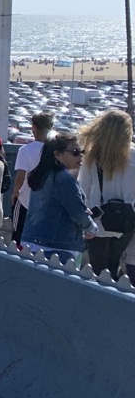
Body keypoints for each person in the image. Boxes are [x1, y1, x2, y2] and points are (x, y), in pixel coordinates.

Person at [20, 133, 98, 263]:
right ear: (57, 155)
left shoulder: (41, 175)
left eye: (81, 151)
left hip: (32, 241)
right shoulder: (64, 179)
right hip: (56, 246)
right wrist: (92, 227)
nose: (81, 156)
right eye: (75, 152)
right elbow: (77, 212)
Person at [77, 109, 135, 278]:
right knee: (115, 262)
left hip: (98, 220)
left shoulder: (92, 155)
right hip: (126, 220)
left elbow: (83, 189)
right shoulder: (133, 155)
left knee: (98, 268)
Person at [11, 112, 54, 245]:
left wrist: (15, 193)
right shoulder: (55, 151)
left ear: (33, 127)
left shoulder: (26, 150)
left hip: (25, 199)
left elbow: (21, 175)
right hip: (47, 202)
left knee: (19, 233)